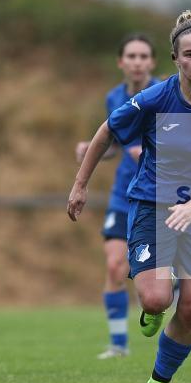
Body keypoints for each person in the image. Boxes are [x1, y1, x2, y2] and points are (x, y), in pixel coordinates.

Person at [68, 11, 191, 383]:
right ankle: (151, 309)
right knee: (156, 299)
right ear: (176, 60)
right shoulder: (156, 98)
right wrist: (80, 185)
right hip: (152, 203)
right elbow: (106, 132)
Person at [76, 34, 159, 360]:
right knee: (114, 266)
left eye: (143, 56)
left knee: (164, 274)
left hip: (161, 192)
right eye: (131, 56)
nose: (137, 61)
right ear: (121, 62)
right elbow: (116, 144)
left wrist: (154, 154)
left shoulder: (168, 92)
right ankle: (119, 344)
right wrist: (90, 151)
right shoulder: (114, 98)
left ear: (152, 62)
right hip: (125, 192)